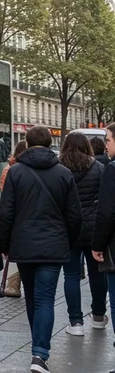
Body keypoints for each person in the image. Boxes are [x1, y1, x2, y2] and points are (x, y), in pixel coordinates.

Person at [0, 125, 81, 373]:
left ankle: (38, 347)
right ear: (49, 144)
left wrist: (5, 245)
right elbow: (74, 215)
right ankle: (40, 353)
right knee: (45, 299)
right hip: (54, 245)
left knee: (32, 298)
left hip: (24, 245)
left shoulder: (15, 172)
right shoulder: (63, 173)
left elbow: (6, 213)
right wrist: (68, 242)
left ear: (26, 142)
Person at [58, 131, 108, 336]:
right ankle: (98, 315)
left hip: (69, 229)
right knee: (98, 273)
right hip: (94, 229)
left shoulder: (59, 169)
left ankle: (76, 321)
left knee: (70, 275)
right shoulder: (98, 168)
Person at [92, 123, 115, 366]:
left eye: (108, 140)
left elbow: (107, 212)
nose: (106, 145)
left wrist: (97, 244)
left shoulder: (112, 169)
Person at [0, 140, 28, 299]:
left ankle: (13, 285)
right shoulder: (15, 170)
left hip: (16, 221)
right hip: (24, 220)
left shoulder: (9, 170)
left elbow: (5, 199)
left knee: (15, 254)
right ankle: (14, 284)